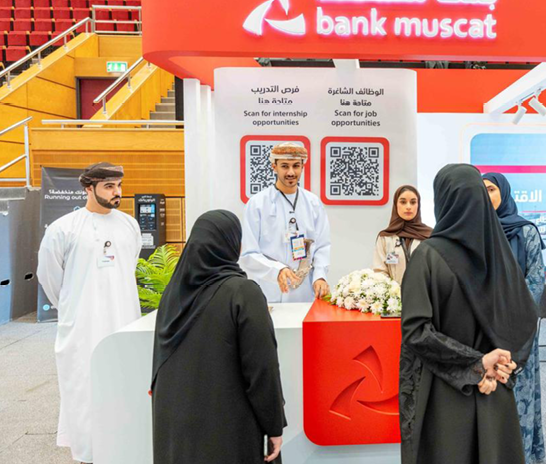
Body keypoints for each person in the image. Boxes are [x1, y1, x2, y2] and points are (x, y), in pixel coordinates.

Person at [400, 164, 539, 464]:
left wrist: (477, 366)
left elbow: (416, 331)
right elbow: (525, 316)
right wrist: (502, 365)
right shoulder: (499, 254)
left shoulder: (427, 256)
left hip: (444, 392)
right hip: (495, 392)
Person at [152, 210, 286, 464]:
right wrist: (274, 425)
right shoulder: (243, 293)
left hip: (176, 434)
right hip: (228, 433)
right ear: (231, 245)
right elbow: (262, 369)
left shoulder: (172, 294)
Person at [37, 162, 142, 464]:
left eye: (119, 185)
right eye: (109, 186)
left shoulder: (129, 225)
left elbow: (128, 268)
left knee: (123, 384)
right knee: (83, 389)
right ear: (88, 188)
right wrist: (74, 307)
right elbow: (49, 277)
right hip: (81, 327)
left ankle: (123, 450)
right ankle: (87, 455)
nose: (117, 192)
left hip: (124, 318)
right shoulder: (64, 229)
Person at [482, 172, 546, 463]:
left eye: (491, 189)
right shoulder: (477, 230)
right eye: (482, 190)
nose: (486, 195)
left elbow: (536, 280)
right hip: (485, 326)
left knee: (519, 389)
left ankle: (522, 454)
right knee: (489, 389)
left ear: (504, 193)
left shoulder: (526, 231)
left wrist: (512, 315)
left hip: (520, 327)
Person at [241, 142, 331, 303]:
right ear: (274, 167)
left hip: (305, 292)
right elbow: (249, 254)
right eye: (284, 166)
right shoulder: (257, 204)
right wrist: (278, 270)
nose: (291, 172)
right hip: (269, 290)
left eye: (296, 166)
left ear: (302, 167)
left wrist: (320, 276)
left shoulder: (313, 203)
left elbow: (322, 246)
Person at [373, 185, 432, 283]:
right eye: (403, 202)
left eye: (413, 202)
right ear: (396, 204)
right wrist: (392, 290)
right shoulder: (385, 237)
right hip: (394, 292)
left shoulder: (430, 236)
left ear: (418, 205)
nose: (408, 207)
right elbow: (380, 272)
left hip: (424, 292)